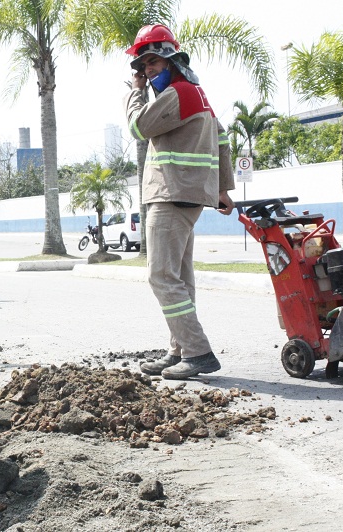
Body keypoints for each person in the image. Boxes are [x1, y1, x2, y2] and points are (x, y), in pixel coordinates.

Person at [124, 24, 235, 380]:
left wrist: (136, 93)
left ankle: (198, 352)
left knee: (161, 276)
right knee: (180, 279)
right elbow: (222, 141)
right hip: (190, 194)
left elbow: (139, 127)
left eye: (153, 62)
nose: (146, 71)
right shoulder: (197, 94)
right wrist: (221, 189)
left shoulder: (176, 93)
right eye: (142, 66)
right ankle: (180, 351)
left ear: (172, 60)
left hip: (171, 194)